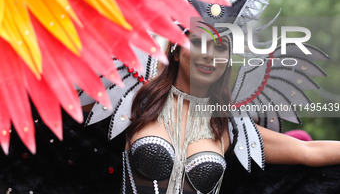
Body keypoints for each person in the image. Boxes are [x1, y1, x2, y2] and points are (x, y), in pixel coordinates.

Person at [119, 28, 340, 194]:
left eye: (221, 46)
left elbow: (307, 150)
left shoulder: (229, 124)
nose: (209, 54)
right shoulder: (135, 101)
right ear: (175, 53)